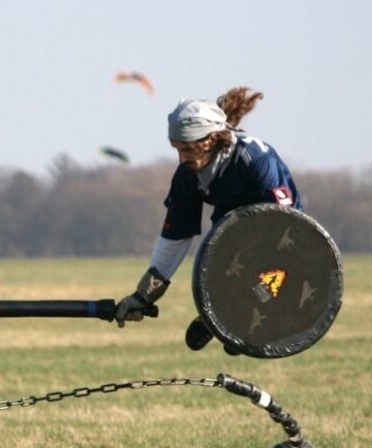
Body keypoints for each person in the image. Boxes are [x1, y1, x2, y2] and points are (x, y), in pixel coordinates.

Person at [114, 87, 302, 352]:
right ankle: (223, 316)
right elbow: (175, 237)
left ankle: (230, 315)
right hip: (229, 232)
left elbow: (289, 224)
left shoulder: (256, 160)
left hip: (279, 236)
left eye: (189, 149)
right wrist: (144, 294)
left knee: (256, 298)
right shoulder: (186, 175)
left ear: (213, 138)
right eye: (178, 149)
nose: (183, 158)